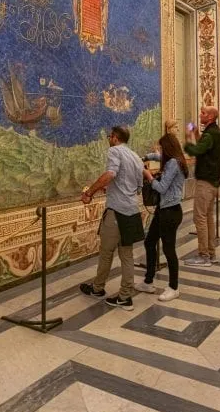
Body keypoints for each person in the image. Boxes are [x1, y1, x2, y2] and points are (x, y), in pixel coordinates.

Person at [79, 126, 145, 310]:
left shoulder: (114, 151)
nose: (109, 139)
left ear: (115, 138)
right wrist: (118, 189)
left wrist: (90, 192)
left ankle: (98, 288)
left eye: (110, 136)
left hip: (117, 211)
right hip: (132, 210)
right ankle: (125, 296)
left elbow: (110, 174)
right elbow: (138, 186)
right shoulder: (136, 156)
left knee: (106, 252)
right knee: (127, 255)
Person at [135, 133, 187, 301]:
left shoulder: (173, 163)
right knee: (149, 242)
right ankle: (148, 281)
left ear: (168, 148)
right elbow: (157, 156)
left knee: (169, 249)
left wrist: (149, 176)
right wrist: (145, 156)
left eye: (162, 148)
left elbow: (162, 187)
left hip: (170, 211)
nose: (161, 151)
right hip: (164, 210)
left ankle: (174, 287)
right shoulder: (176, 159)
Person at [184, 106, 220, 265]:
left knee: (199, 217)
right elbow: (207, 147)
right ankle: (211, 252)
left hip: (205, 183)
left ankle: (203, 255)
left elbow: (196, 150)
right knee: (208, 218)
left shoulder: (210, 134)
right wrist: (196, 133)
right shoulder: (217, 132)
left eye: (203, 113)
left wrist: (188, 138)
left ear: (210, 117)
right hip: (213, 182)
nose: (200, 115)